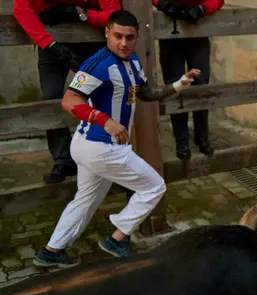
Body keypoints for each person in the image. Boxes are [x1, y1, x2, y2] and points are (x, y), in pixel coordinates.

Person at [33, 11, 199, 267]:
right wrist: (105, 121)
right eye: (118, 36)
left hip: (96, 147)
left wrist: (178, 85)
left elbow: (147, 94)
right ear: (107, 33)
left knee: (86, 199)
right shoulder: (97, 64)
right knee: (154, 186)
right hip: (99, 147)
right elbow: (69, 100)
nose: (123, 43)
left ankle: (52, 251)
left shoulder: (132, 62)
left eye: (129, 37)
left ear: (137, 37)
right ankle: (117, 238)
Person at [12, 0, 120, 184]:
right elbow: (20, 9)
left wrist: (79, 13)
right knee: (50, 99)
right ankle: (63, 160)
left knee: (100, 94)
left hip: (90, 41)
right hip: (51, 43)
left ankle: (104, 155)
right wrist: (49, 45)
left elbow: (113, 14)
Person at [153, 0, 223, 161]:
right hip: (169, 30)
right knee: (175, 85)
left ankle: (202, 136)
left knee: (201, 83)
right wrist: (163, 3)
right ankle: (181, 140)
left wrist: (203, 8)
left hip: (198, 30)